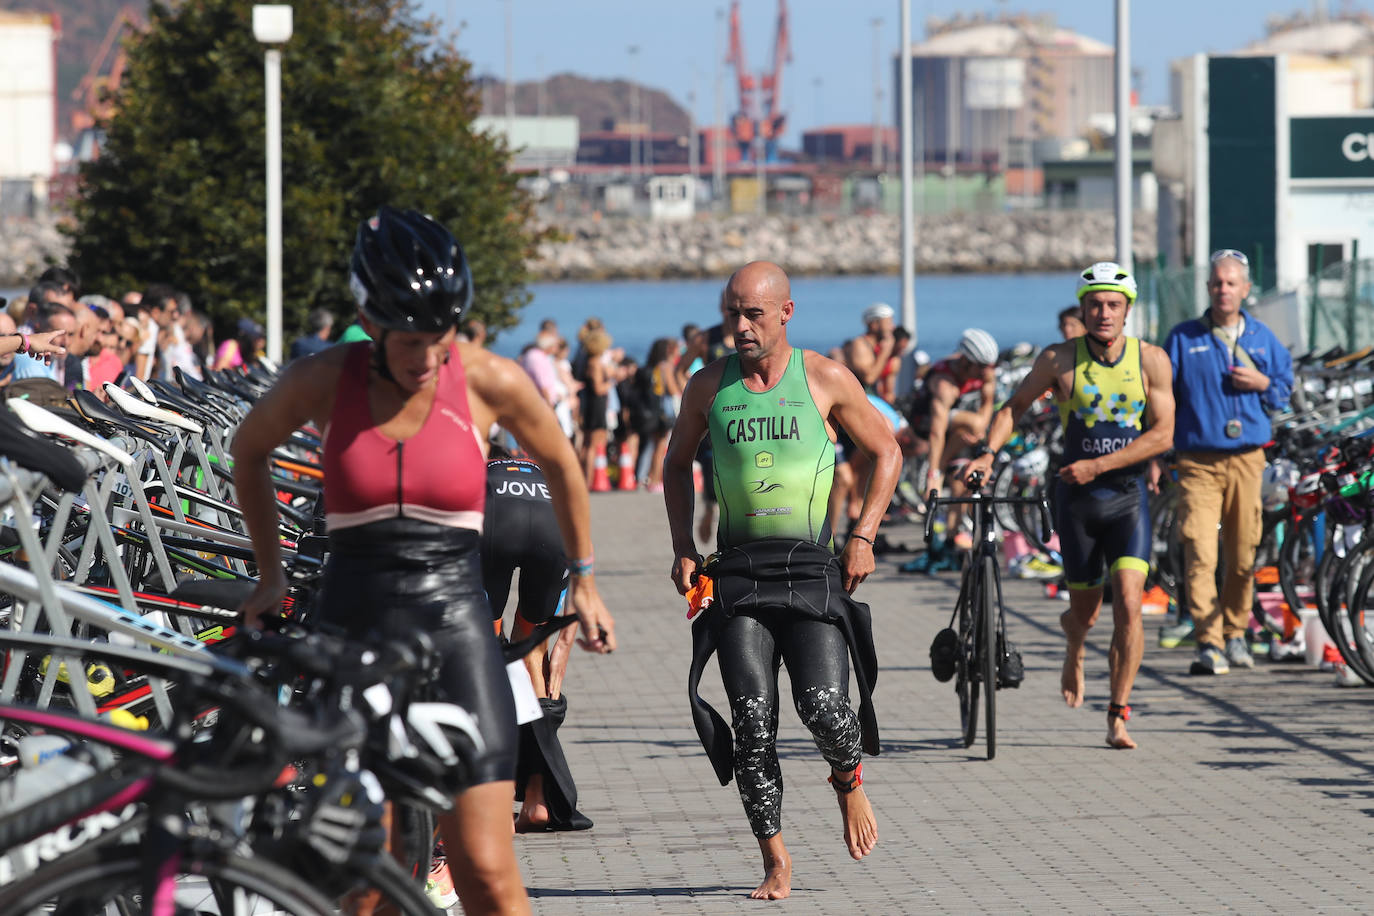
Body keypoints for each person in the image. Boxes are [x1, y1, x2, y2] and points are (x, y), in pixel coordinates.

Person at [232, 206, 616, 915]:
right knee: (363, 875)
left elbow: (562, 464)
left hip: (455, 626)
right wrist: (270, 572)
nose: (425, 356)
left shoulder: (487, 380)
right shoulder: (324, 378)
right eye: (408, 339)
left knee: (486, 871)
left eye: (438, 336)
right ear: (369, 320)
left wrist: (585, 579)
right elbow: (248, 451)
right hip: (352, 628)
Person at [664, 261, 900, 900]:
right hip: (738, 573)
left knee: (823, 707)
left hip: (811, 568)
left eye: (753, 314)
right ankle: (775, 859)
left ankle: (847, 779)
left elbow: (889, 451)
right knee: (751, 718)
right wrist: (684, 545)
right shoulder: (708, 386)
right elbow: (676, 460)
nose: (739, 326)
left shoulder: (823, 378)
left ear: (786, 313)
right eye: (731, 313)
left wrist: (863, 535)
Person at [964, 262, 1174, 750]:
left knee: (1129, 604)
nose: (1104, 313)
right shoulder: (1059, 359)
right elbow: (1014, 408)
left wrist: (1100, 467)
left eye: (1114, 305)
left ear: (1128, 312)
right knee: (1086, 613)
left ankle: (1118, 713)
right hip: (1076, 503)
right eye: (1095, 304)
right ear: (1083, 309)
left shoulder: (1152, 361)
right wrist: (988, 453)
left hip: (1127, 499)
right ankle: (1074, 643)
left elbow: (1163, 434)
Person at [1163, 249, 1293, 676]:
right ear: (1208, 288)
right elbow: (1162, 400)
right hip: (1197, 461)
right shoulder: (1183, 338)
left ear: (1245, 289)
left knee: (1242, 554)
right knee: (1200, 552)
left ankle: (1237, 632)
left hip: (1247, 460)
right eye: (1217, 282)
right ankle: (1208, 641)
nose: (1223, 289)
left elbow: (1284, 391)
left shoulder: (1261, 337)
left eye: (1231, 283)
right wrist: (1157, 455)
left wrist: (1263, 383)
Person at [482, 453, 590, 834]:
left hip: (494, 520)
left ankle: (494, 804)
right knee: (531, 652)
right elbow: (581, 555)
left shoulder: (479, 468)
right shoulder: (547, 470)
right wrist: (564, 641)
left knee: (486, 652)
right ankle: (537, 800)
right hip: (553, 528)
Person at [579, 329, 613, 490]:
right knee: (593, 443)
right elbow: (599, 388)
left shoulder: (588, 360)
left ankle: (584, 478)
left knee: (587, 443)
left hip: (590, 403)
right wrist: (611, 382)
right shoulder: (596, 362)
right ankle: (587, 480)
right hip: (596, 404)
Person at [842, 302, 897, 397]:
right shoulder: (860, 344)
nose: (892, 327)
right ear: (874, 324)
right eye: (888, 323)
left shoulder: (880, 345)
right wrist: (885, 352)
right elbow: (869, 378)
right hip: (857, 398)